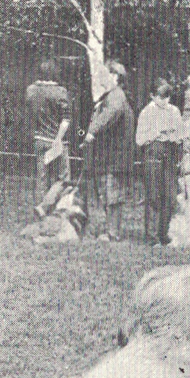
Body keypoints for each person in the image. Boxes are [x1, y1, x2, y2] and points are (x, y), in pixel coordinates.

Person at [82, 60, 136, 242]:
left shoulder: (116, 97)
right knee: (109, 193)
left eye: (104, 74)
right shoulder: (111, 95)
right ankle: (110, 231)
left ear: (115, 76)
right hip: (111, 156)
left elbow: (108, 116)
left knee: (113, 195)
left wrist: (91, 132)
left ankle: (113, 233)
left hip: (115, 156)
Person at [136, 78, 184, 245]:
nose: (165, 101)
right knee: (154, 196)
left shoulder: (174, 111)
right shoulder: (146, 113)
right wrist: (156, 133)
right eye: (161, 97)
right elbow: (139, 139)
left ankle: (165, 234)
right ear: (152, 96)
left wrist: (174, 135)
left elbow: (180, 134)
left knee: (170, 197)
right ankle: (152, 237)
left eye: (168, 97)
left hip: (170, 154)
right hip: (152, 154)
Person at [25, 59, 71, 215]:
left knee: (41, 178)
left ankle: (41, 213)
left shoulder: (31, 90)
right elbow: (66, 120)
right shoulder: (61, 92)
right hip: (56, 140)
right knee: (63, 179)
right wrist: (58, 139)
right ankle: (47, 208)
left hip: (39, 139)